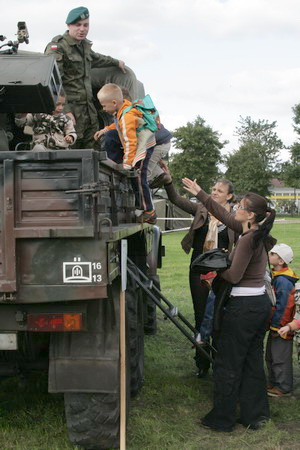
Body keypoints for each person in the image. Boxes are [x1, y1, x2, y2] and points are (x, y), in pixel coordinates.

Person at [182, 177, 276, 432]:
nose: (236, 209)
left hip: (243, 309)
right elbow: (222, 213)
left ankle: (222, 419)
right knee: (252, 361)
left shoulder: (247, 239)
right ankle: (255, 416)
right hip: (258, 307)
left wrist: (214, 275)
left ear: (250, 215)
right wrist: (200, 193)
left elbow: (234, 276)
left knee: (228, 363)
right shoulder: (252, 230)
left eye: (241, 206)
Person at [161, 168, 236, 376]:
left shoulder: (234, 217)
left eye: (219, 191)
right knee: (201, 314)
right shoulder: (201, 209)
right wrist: (168, 181)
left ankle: (220, 362)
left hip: (222, 272)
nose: (214, 192)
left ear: (229, 196)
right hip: (199, 269)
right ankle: (202, 364)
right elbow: (175, 199)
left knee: (220, 317)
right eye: (213, 189)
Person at [45, 6, 134, 149]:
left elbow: (97, 58)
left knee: (92, 152)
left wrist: (116, 62)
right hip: (70, 111)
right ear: (68, 25)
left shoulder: (84, 46)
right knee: (70, 153)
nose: (82, 29)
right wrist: (65, 111)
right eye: (78, 25)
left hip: (88, 111)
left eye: (86, 25)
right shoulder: (58, 47)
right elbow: (54, 83)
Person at [94, 83, 157, 224]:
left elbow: (130, 142)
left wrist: (128, 163)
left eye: (104, 106)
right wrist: (106, 129)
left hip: (144, 146)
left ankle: (149, 212)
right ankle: (141, 207)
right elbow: (117, 125)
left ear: (114, 102)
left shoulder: (126, 116)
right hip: (141, 144)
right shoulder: (122, 110)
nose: (103, 109)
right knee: (137, 176)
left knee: (140, 177)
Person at [266, 244, 298, 397]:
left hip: (282, 326)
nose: (269, 254)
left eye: (273, 253)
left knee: (280, 357)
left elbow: (284, 306)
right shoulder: (277, 275)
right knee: (271, 355)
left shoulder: (283, 281)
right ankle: (273, 382)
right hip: (276, 324)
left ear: (280, 261)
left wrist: (277, 325)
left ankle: (283, 386)